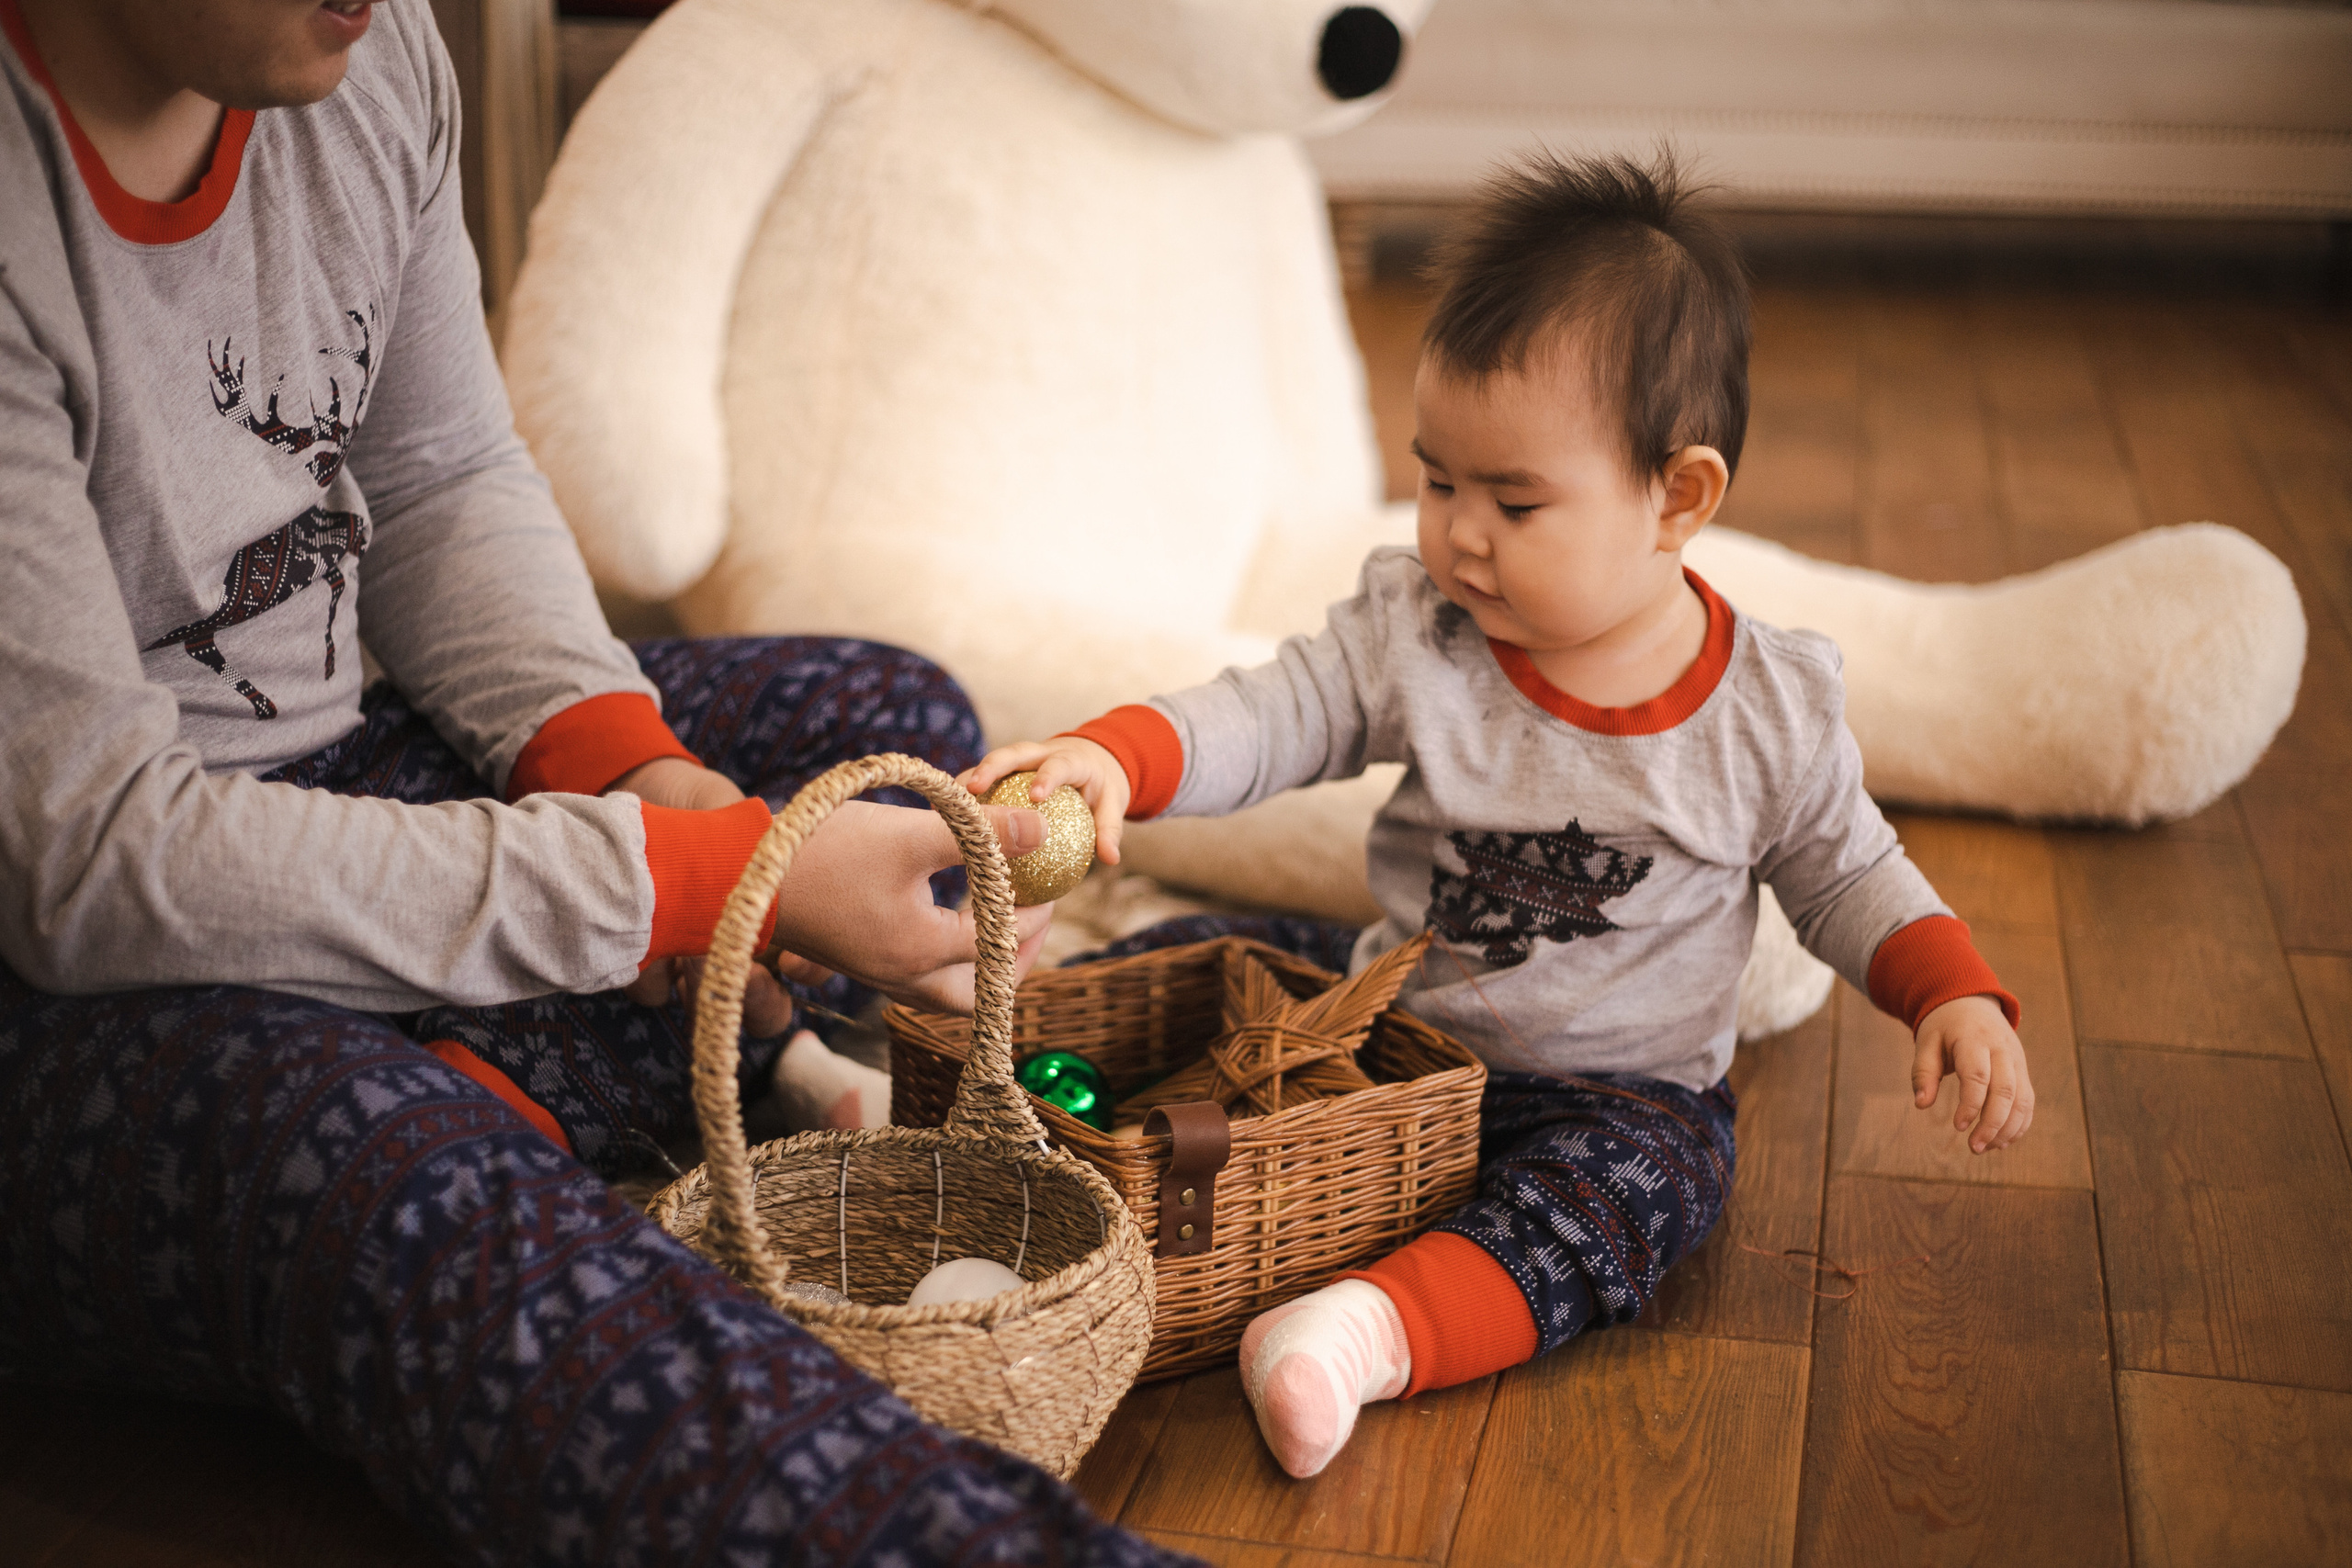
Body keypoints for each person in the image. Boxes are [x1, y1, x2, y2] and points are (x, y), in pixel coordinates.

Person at [0, 1, 1179, 1562]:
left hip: (351, 774)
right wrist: (670, 887)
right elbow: (89, 867)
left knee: (884, 715)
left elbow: (433, 481)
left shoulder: (367, 53)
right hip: (76, 976)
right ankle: (509, 1135)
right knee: (379, 1158)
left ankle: (549, 1104)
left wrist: (645, 782)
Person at [963, 149, 2038, 1480]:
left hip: (1616, 1096)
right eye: (1438, 480)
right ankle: (950, 1078)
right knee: (1209, 969)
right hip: (1395, 1040)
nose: (1459, 537)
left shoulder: (1765, 712)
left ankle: (1362, 1334)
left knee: (1645, 1203)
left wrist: (1951, 992)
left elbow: (1849, 873)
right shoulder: (1424, 632)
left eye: (1514, 501)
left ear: (1677, 499)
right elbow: (1275, 711)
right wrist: (1122, 756)